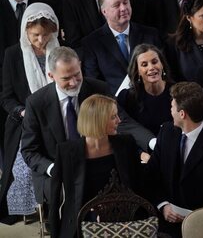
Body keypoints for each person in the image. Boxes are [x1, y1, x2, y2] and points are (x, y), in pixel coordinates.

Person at [21, 46, 154, 211]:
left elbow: (123, 121)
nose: (74, 82)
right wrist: (54, 169)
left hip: (98, 162)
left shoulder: (99, 88)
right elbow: (29, 151)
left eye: (77, 75)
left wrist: (153, 141)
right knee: (75, 195)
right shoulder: (36, 103)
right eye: (66, 78)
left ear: (80, 65)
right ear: (51, 76)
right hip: (56, 171)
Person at [146, 82, 203, 238]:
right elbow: (152, 175)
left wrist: (195, 219)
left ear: (182, 114)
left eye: (172, 107)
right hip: (163, 226)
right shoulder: (166, 132)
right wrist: (163, 205)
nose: (170, 110)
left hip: (201, 231)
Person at [50, 94, 142, 238]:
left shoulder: (126, 143)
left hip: (122, 218)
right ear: (97, 121)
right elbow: (55, 198)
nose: (119, 120)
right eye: (113, 117)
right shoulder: (66, 151)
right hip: (80, 221)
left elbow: (138, 184)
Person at [0, 2, 59, 222]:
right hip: (24, 123)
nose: (41, 41)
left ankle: (54, 207)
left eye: (45, 35)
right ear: (26, 30)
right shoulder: (13, 54)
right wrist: (24, 112)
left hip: (58, 120)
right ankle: (31, 208)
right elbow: (6, 97)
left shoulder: (61, 51)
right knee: (23, 169)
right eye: (35, 35)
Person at [80, 0, 162, 95]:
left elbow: (164, 72)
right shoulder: (92, 43)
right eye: (116, 5)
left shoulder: (151, 35)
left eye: (125, 2)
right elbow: (94, 83)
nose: (123, 8)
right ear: (104, 11)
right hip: (114, 105)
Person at [117, 44, 173, 137]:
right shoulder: (127, 98)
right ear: (138, 71)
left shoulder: (178, 92)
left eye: (155, 62)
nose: (151, 68)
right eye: (144, 65)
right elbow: (125, 131)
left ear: (162, 64)